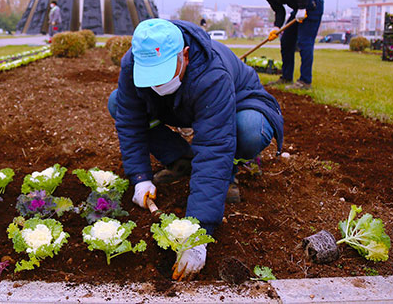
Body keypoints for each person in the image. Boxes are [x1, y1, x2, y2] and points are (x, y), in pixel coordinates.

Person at [107, 18, 284, 280]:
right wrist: (140, 178)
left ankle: (232, 170)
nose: (157, 84)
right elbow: (131, 121)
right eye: (151, 76)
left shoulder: (212, 72)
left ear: (185, 55)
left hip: (238, 104)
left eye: (164, 73)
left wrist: (199, 232)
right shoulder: (133, 63)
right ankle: (181, 159)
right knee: (117, 103)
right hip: (179, 104)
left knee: (247, 129)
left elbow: (214, 145)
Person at [244, 0, 324, 89]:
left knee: (304, 42)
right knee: (286, 41)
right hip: (299, 9)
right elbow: (279, 11)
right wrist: (276, 28)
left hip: (312, 3)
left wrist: (302, 8)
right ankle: (286, 77)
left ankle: (305, 81)